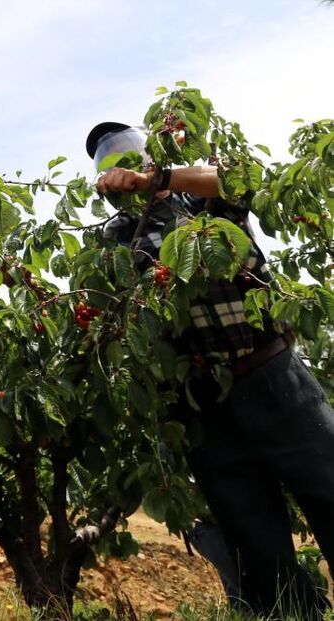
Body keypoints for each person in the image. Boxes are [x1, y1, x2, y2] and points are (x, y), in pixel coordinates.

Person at [86, 121, 334, 618]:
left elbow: (239, 180)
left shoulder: (201, 201)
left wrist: (158, 179)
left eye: (129, 152)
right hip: (203, 402)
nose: (123, 163)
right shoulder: (117, 238)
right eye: (109, 160)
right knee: (253, 539)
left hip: (274, 376)